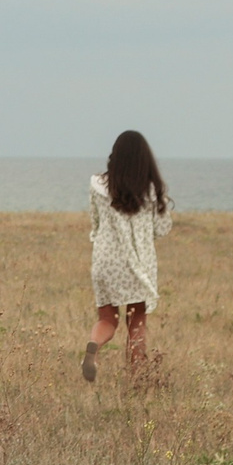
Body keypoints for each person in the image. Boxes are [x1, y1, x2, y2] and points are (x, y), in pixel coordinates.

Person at [84, 129, 171, 381]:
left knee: (107, 319)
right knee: (136, 321)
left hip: (105, 262)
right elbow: (162, 229)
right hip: (138, 265)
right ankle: (137, 377)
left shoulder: (97, 186)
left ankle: (94, 346)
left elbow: (95, 224)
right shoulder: (153, 193)